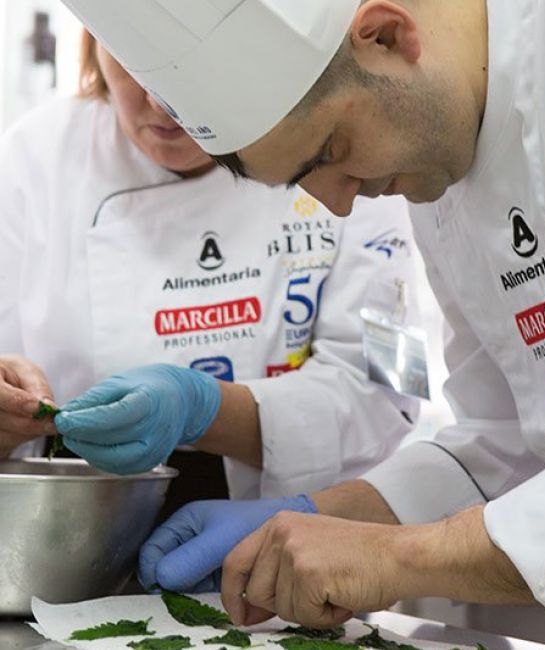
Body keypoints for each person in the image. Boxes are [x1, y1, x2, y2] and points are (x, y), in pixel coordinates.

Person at [58, 1, 545, 649]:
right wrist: (324, 513)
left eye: (331, 151)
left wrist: (399, 556)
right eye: (306, 181)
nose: (341, 205)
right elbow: (507, 435)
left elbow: (388, 393)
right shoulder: (431, 170)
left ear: (388, 35)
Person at [0, 28, 422, 511]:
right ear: (95, 41)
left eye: (188, 65)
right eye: (134, 61)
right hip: (77, 540)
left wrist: (206, 410)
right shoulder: (30, 164)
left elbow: (393, 397)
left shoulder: (344, 145)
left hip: (305, 537)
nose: (161, 107)